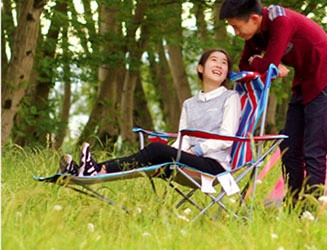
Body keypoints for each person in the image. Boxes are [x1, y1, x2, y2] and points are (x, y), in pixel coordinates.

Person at [219, 0, 327, 206]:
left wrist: (264, 62)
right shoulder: (254, 34)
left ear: (254, 18)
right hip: (303, 85)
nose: (236, 33)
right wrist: (265, 62)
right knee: (288, 147)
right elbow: (246, 64)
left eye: (236, 27)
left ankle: (311, 208)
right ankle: (293, 203)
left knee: (313, 150)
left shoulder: (281, 21)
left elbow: (267, 65)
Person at [60, 49, 241, 177]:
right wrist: (175, 151)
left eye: (224, 63)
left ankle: (97, 169)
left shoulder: (230, 97)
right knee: (156, 154)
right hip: (187, 160)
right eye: (214, 60)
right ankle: (90, 170)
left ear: (226, 74)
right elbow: (183, 137)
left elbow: (226, 137)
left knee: (156, 150)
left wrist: (197, 150)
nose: (219, 65)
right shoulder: (189, 104)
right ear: (200, 68)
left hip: (213, 165)